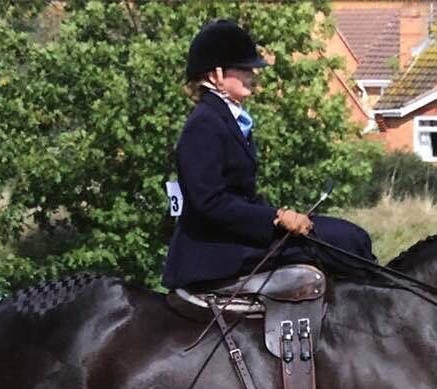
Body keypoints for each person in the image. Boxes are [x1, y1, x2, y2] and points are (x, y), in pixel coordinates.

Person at [161, 19, 377, 291]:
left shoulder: (228, 118)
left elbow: (242, 195)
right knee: (345, 242)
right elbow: (210, 202)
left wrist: (281, 215)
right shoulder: (204, 124)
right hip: (214, 251)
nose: (253, 74)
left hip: (236, 237)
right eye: (243, 69)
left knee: (351, 237)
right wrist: (276, 216)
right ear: (215, 75)